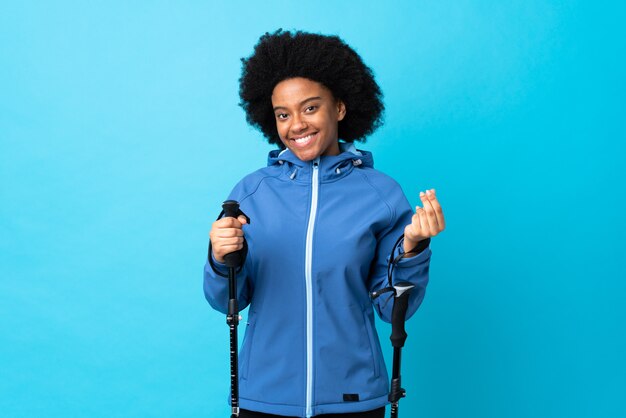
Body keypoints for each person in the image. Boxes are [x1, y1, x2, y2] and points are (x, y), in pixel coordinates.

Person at [204, 30, 445, 418]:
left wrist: (413, 247)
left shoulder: (380, 194)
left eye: (310, 108)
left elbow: (393, 308)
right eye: (283, 114)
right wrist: (220, 257)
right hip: (265, 397)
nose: (296, 124)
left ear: (340, 109)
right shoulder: (250, 193)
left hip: (354, 396)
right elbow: (227, 299)